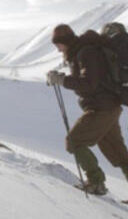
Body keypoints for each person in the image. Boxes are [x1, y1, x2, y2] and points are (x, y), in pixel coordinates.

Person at [47, 24, 128, 195]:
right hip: (108, 107)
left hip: (101, 109)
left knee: (74, 141)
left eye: (58, 45)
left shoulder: (86, 53)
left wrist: (62, 80)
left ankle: (96, 182)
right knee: (118, 152)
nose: (58, 50)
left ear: (65, 41)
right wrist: (61, 78)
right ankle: (97, 182)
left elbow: (89, 83)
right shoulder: (81, 52)